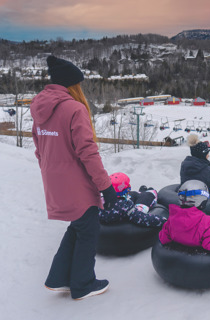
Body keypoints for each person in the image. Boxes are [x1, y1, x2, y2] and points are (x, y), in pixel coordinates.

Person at [31, 55, 114, 300]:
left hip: (54, 180)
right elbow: (87, 152)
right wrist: (106, 186)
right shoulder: (74, 108)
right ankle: (83, 284)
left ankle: (58, 279)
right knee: (88, 228)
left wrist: (53, 173)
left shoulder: (38, 106)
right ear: (71, 84)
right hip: (77, 183)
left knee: (78, 225)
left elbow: (39, 149)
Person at [99, 172, 167, 228]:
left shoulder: (98, 202)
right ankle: (148, 192)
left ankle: (141, 192)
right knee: (149, 195)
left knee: (132, 194)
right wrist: (163, 221)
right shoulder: (125, 207)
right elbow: (143, 218)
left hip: (116, 207)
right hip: (133, 213)